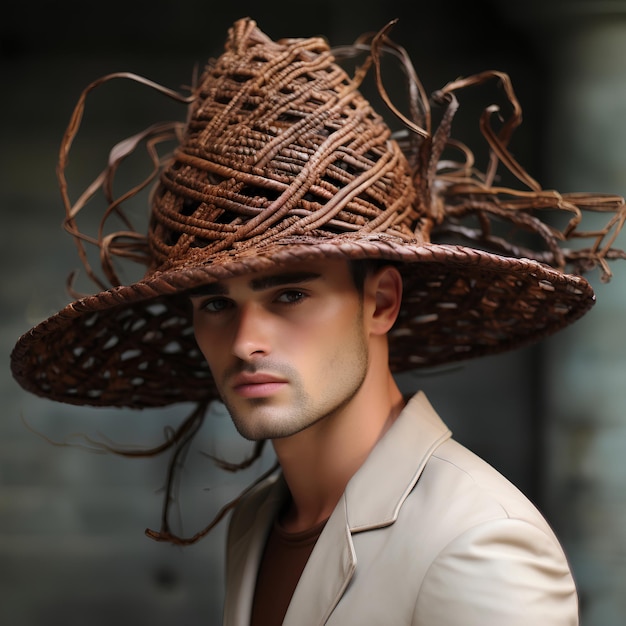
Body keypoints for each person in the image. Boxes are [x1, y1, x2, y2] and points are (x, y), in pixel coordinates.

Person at [11, 16, 626, 626]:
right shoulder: (258, 523)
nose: (246, 342)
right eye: (217, 304)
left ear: (381, 302)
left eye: (289, 296)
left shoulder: (478, 545)